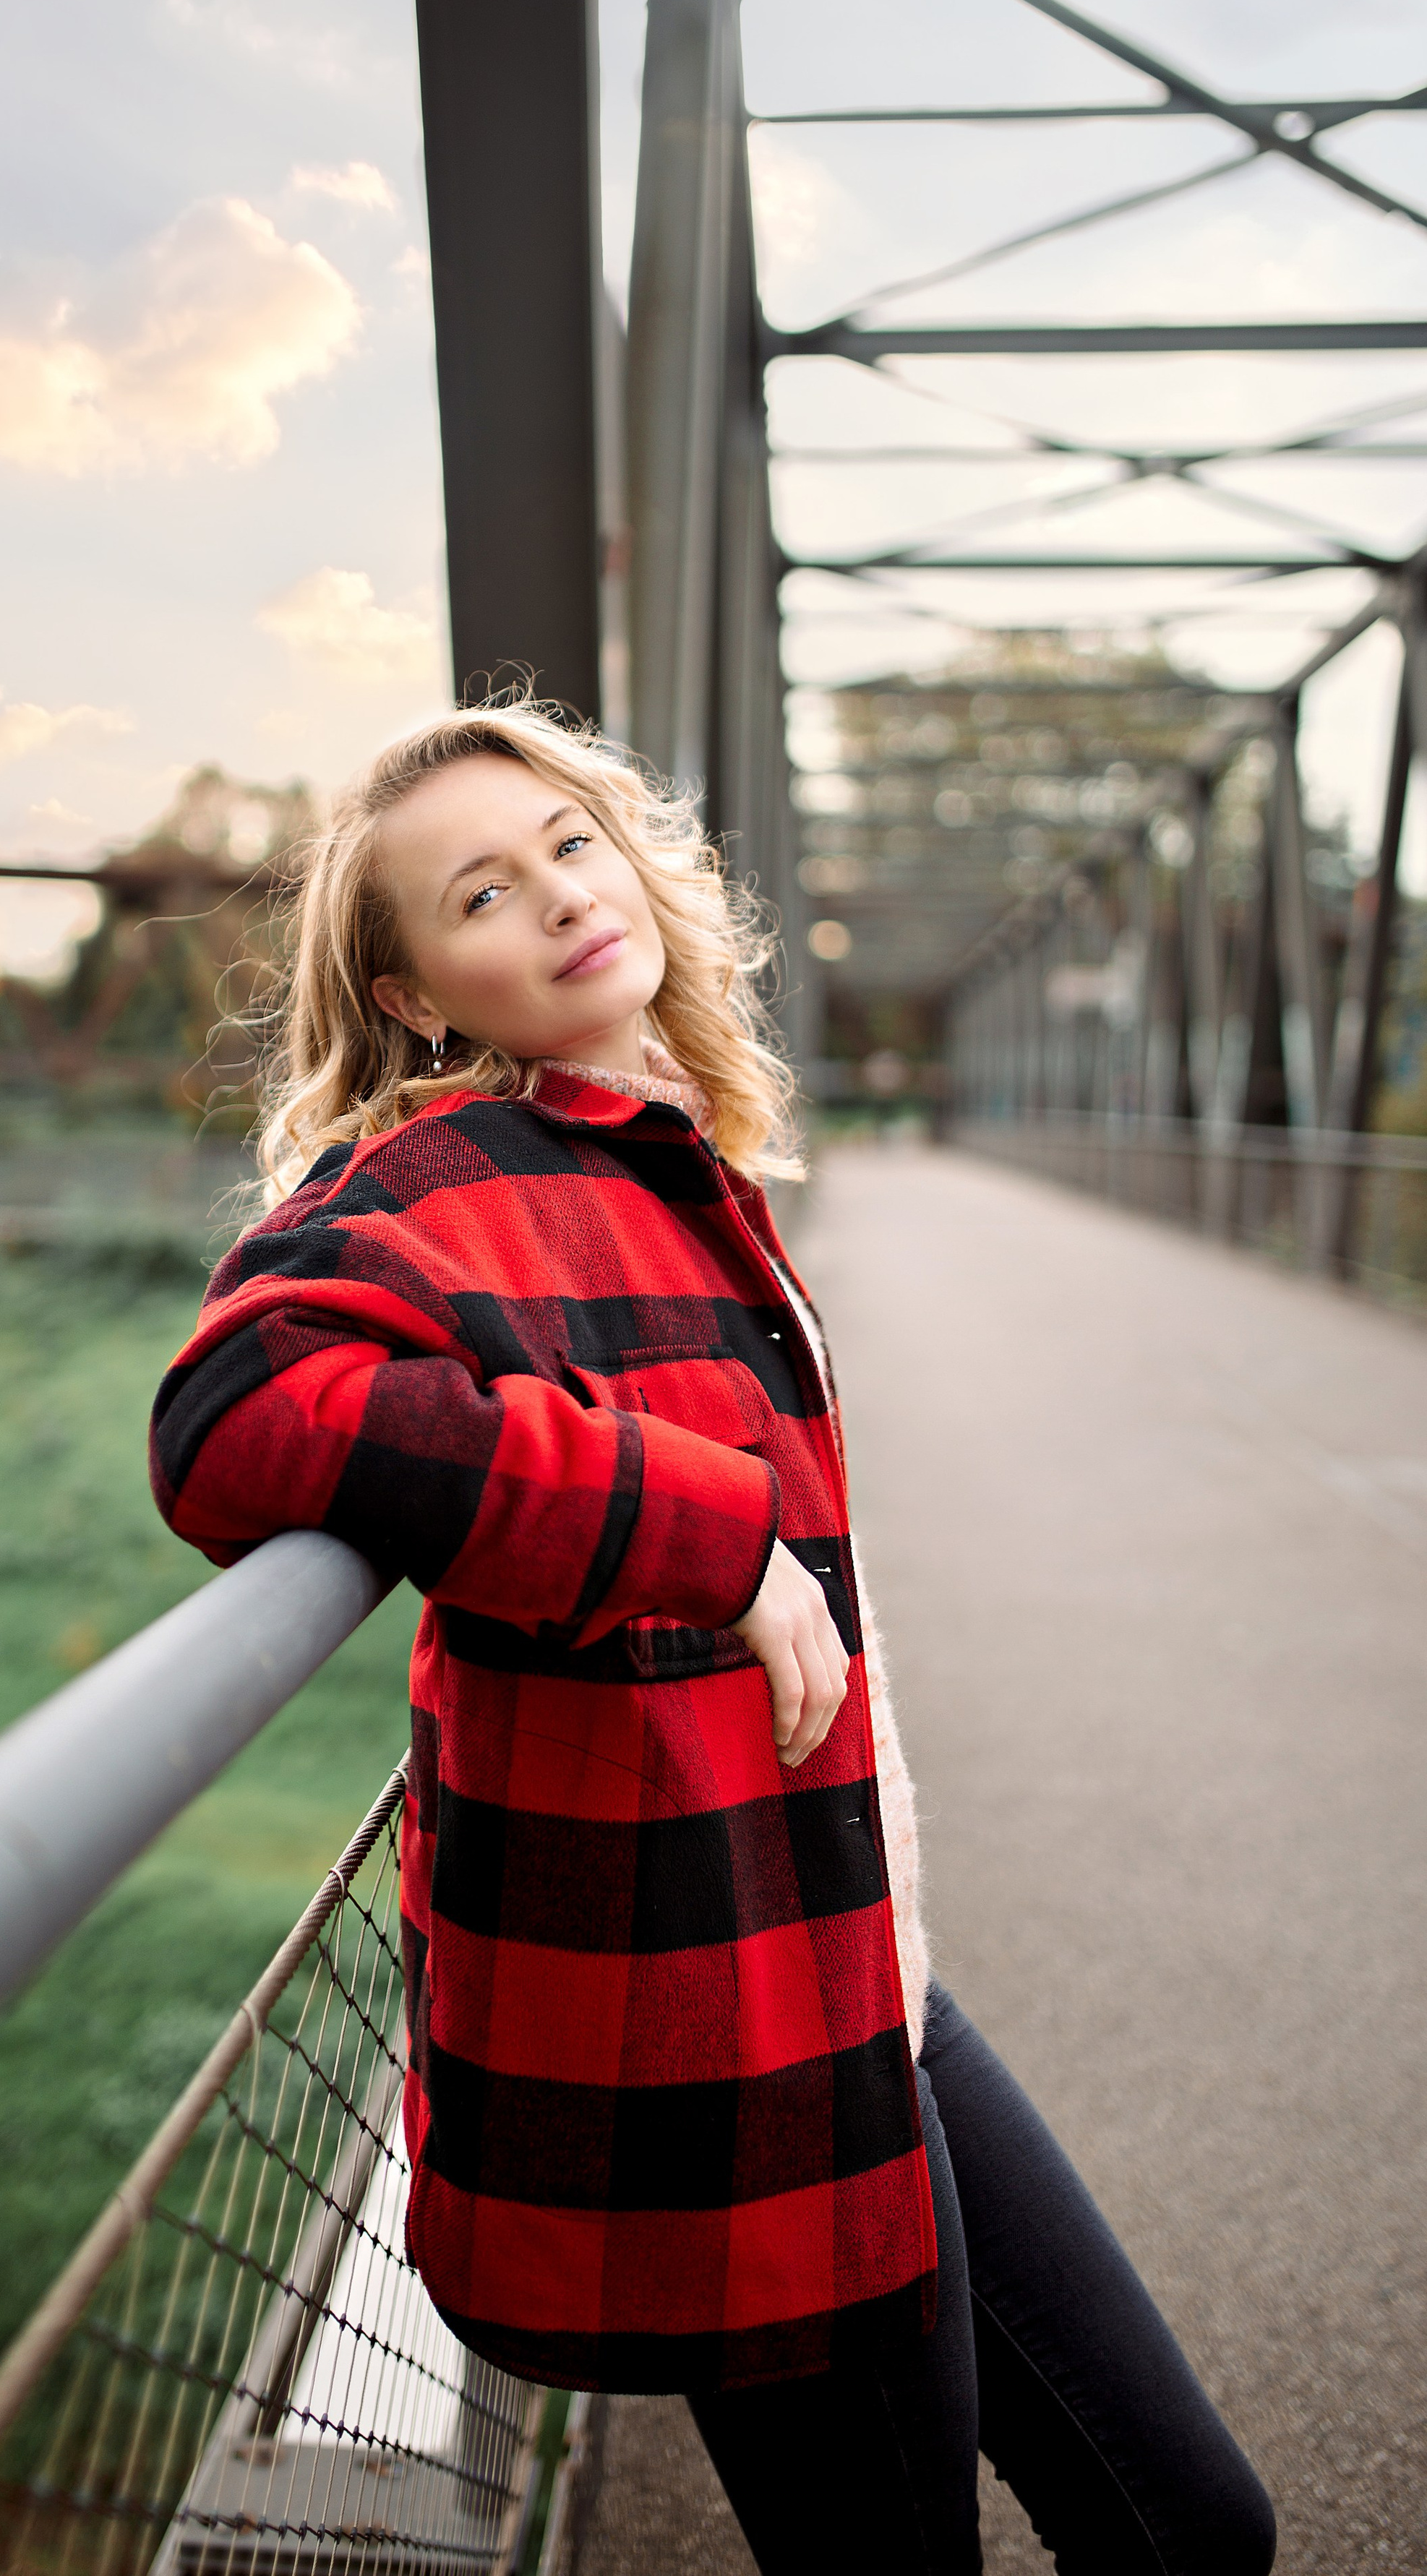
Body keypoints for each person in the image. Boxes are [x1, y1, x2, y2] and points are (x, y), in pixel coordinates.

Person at [148, 708, 1275, 2575]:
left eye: (571, 842)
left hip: (855, 1968)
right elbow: (234, 1415)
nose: (560, 901)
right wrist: (707, 1540)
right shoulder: (451, 1182)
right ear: (420, 995)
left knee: (1191, 2520)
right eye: (481, 896)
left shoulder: (671, 1165)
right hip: (732, 2053)